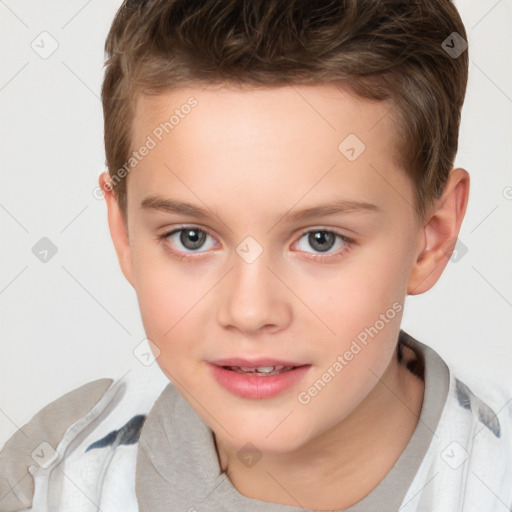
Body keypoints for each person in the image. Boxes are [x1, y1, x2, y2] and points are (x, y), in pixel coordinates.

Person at [1, 0, 511, 511]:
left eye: (320, 240)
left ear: (432, 236)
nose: (249, 312)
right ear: (125, 233)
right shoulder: (54, 477)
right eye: (191, 237)